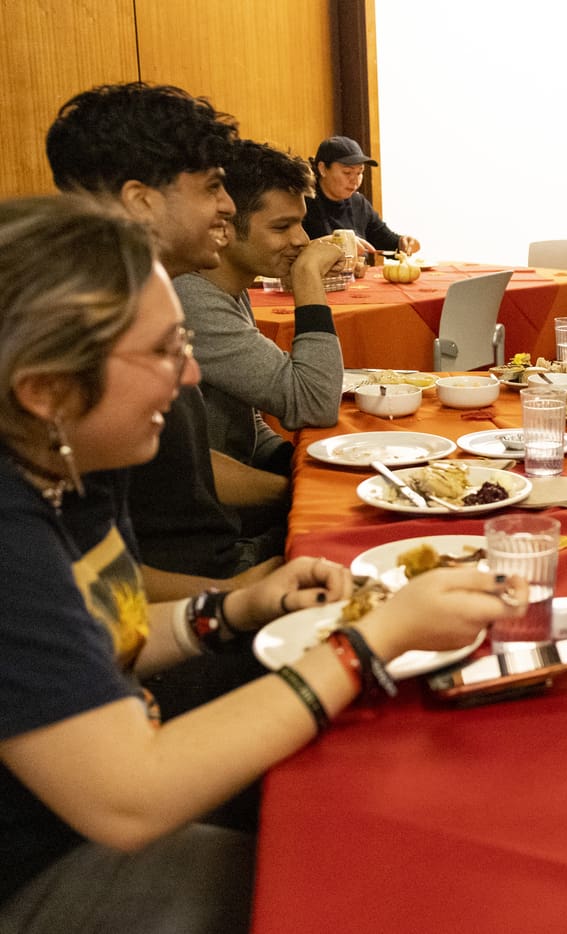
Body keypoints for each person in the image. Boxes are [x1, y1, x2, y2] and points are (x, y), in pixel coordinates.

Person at [0, 195, 524, 933]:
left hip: (76, 815)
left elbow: (84, 644)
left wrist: (231, 609)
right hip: (41, 866)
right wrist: (369, 640)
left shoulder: (69, 464)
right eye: (162, 352)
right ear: (45, 390)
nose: (188, 378)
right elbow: (129, 797)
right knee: (356, 876)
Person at [46, 82, 287, 599]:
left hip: (218, 578)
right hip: (192, 601)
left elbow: (184, 468)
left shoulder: (147, 301)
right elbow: (91, 577)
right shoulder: (87, 340)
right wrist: (233, 600)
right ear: (140, 201)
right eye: (211, 188)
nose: (227, 206)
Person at [175, 139, 345, 476]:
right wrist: (308, 278)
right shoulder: (190, 301)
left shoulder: (231, 288)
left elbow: (247, 419)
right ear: (223, 226)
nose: (301, 240)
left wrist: (292, 468)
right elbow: (314, 403)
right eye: (282, 227)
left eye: (301, 223)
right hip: (220, 519)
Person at [300, 135, 420, 257]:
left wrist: (402, 243)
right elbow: (292, 253)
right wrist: (335, 242)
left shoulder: (359, 203)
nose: (355, 180)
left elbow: (384, 240)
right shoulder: (302, 203)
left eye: (359, 172)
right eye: (347, 172)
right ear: (323, 169)